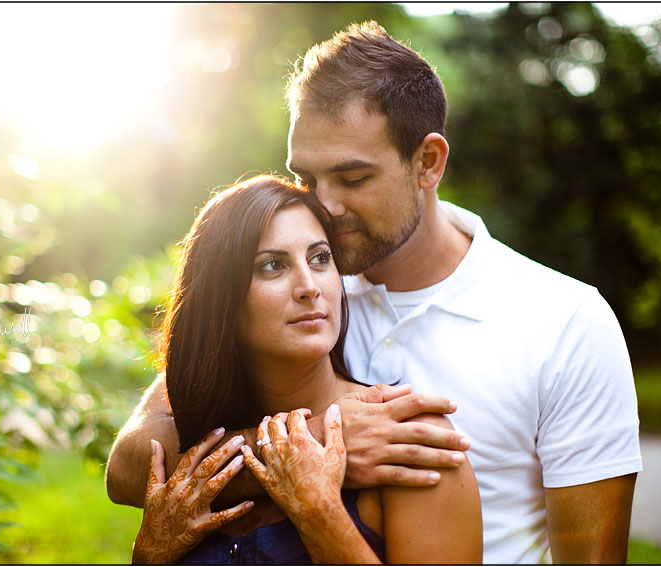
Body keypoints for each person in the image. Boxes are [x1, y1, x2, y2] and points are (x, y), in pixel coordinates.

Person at [108, 20, 642, 563]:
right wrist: (320, 441)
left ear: (428, 163)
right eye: (307, 177)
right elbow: (130, 466)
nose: (325, 204)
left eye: (353, 178)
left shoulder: (567, 322)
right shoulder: (309, 292)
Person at [129, 175, 482, 564]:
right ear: (221, 299)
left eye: (320, 258)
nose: (309, 286)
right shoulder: (198, 456)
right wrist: (149, 554)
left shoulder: (406, 440)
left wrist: (317, 511)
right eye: (273, 266)